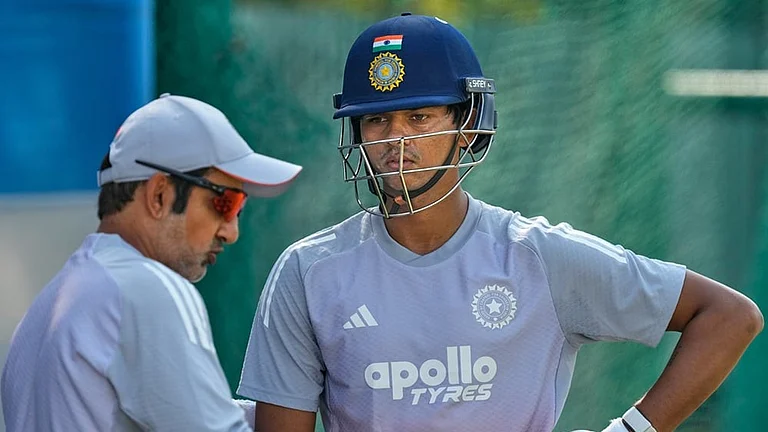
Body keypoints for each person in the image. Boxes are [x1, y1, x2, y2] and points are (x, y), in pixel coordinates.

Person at [236, 13, 764, 432]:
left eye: (419, 118)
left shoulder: (539, 256)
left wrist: (632, 429)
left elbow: (729, 316)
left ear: (467, 126)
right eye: (376, 119)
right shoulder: (308, 272)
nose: (395, 142)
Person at [1, 93, 302, 431]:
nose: (231, 232)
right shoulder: (147, 288)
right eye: (225, 203)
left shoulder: (49, 306)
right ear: (160, 194)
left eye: (239, 208)